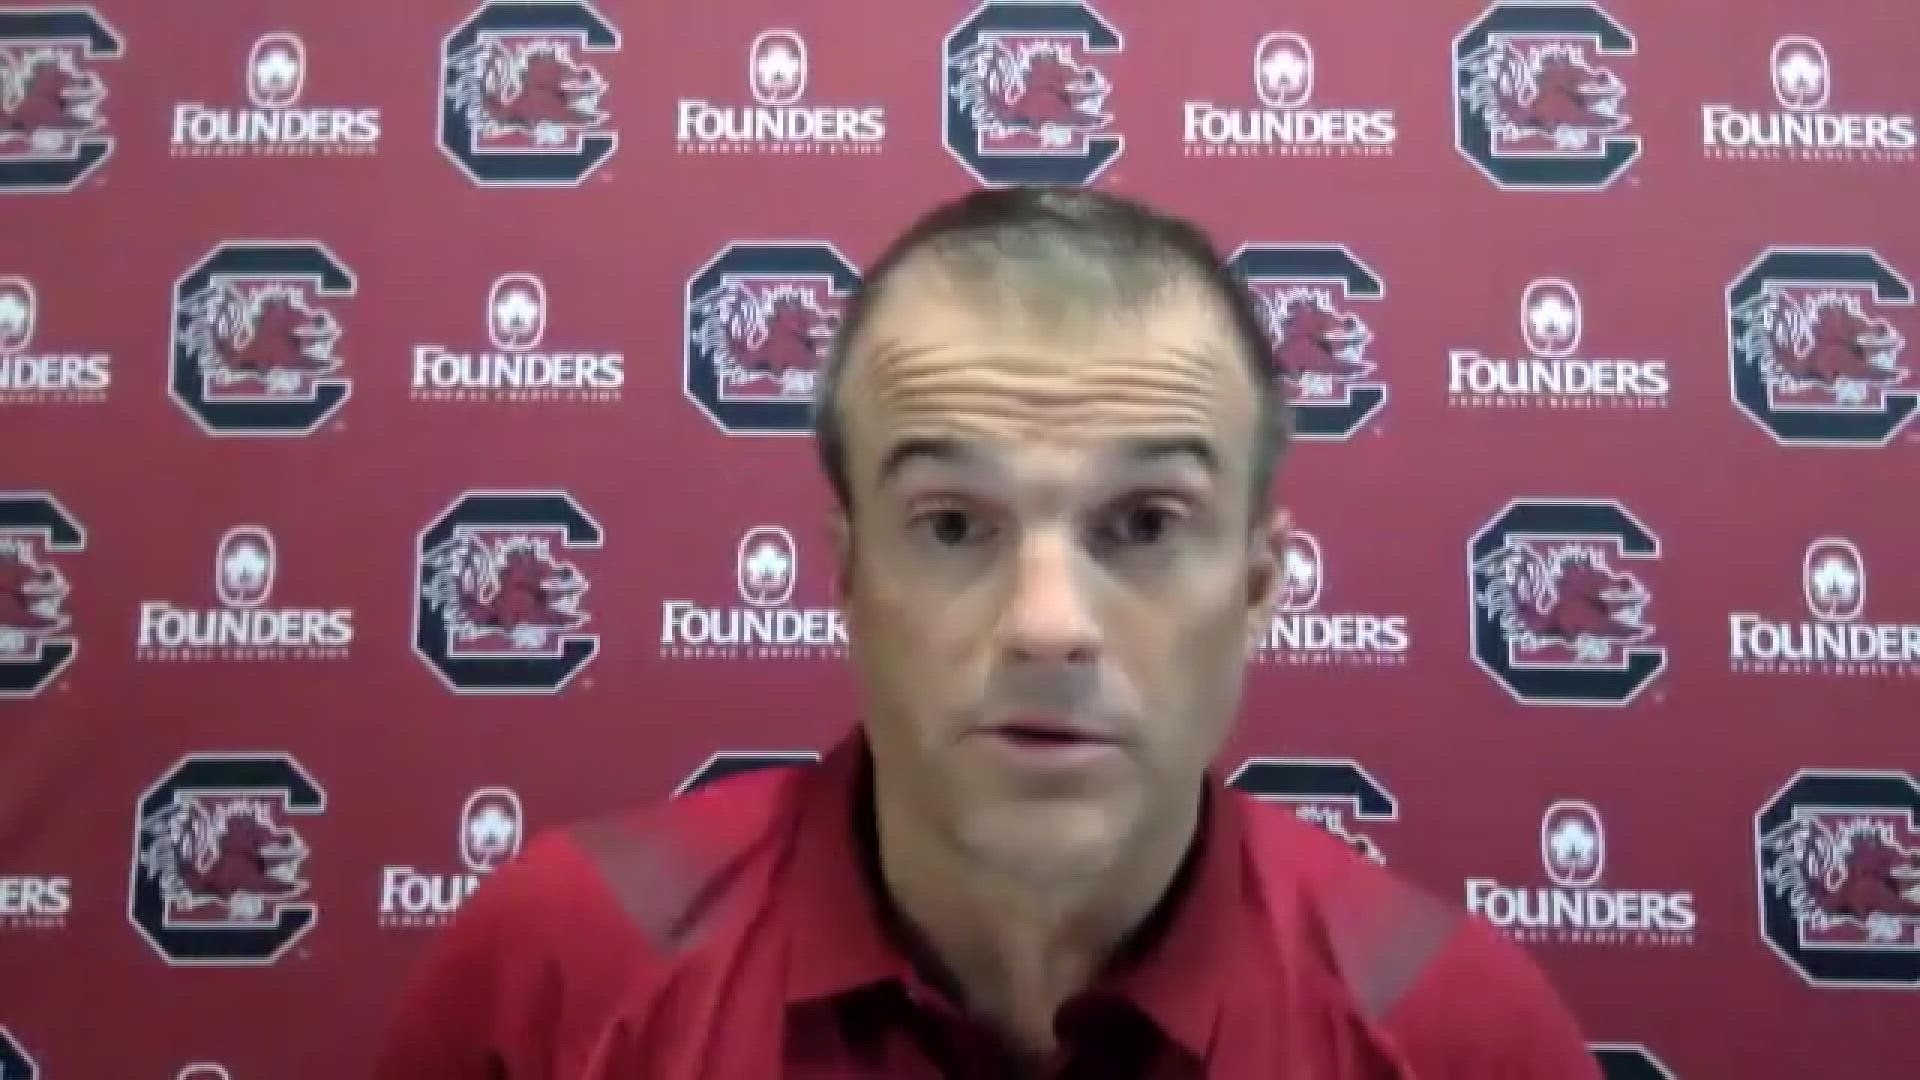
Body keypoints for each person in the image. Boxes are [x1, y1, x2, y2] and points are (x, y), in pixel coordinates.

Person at [373, 187, 1601, 1078]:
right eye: (954, 524)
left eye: (1145, 523)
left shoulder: (1453, 1033)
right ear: (847, 574)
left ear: (1260, 585)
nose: (1049, 627)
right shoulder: (560, 975)